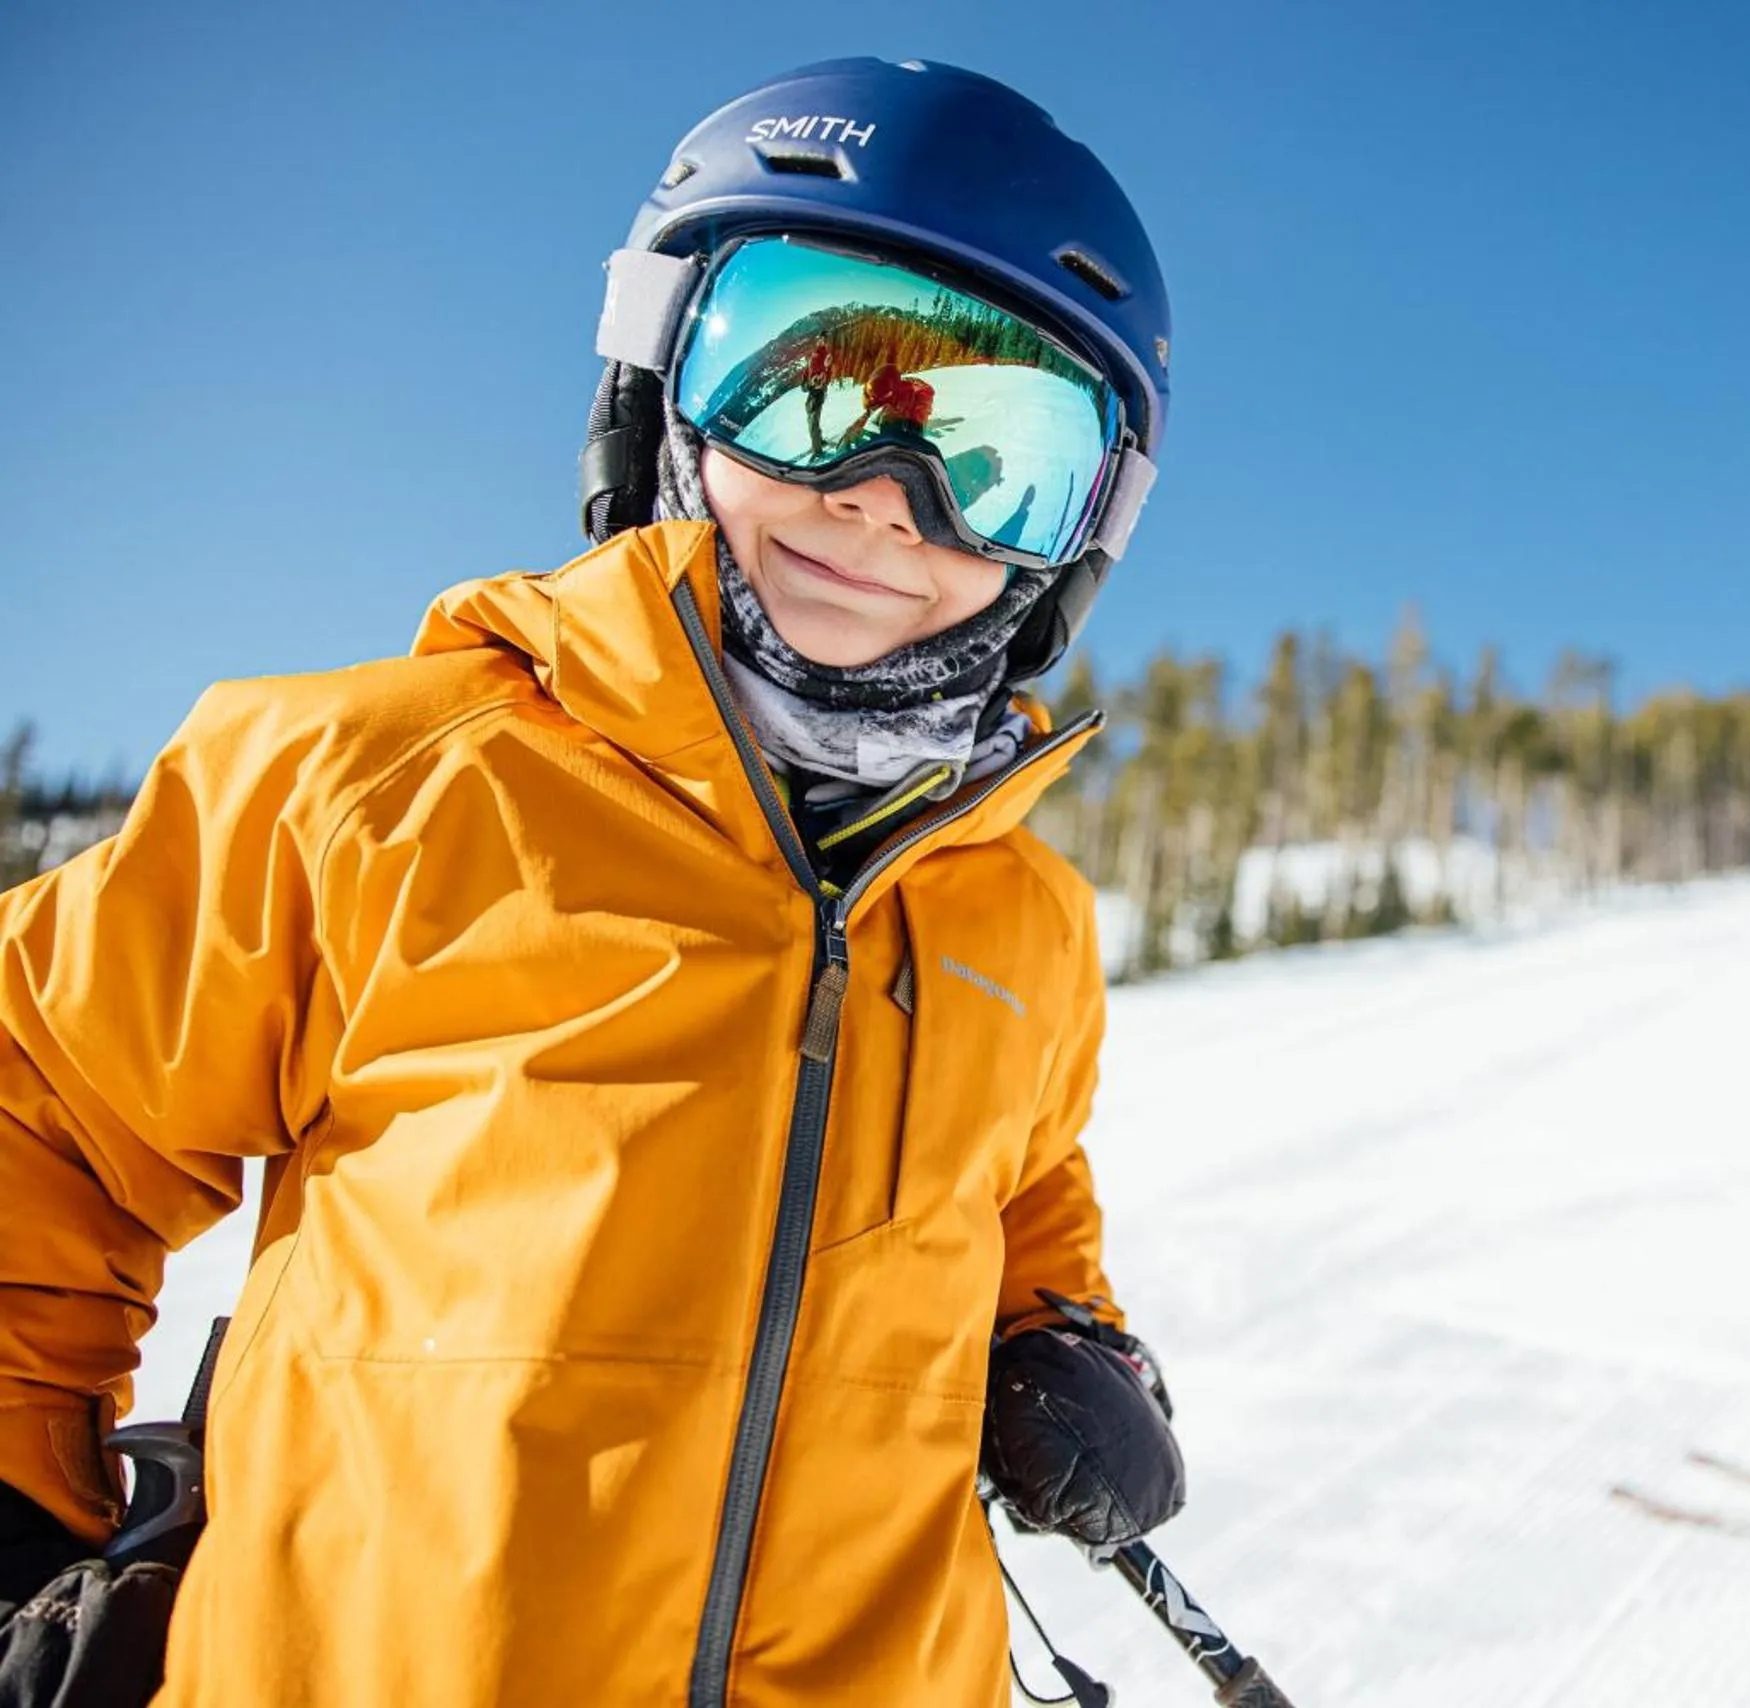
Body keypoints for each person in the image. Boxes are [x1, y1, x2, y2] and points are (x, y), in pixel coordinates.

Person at [0, 58, 1181, 1707]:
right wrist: (16, 1516)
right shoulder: (381, 778)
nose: (885, 495)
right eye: (818, 378)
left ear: (1074, 536)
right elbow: (40, 1099)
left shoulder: (1018, 914)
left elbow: (1018, 1178)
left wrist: (1058, 1330)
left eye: (995, 451)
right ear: (658, 367)